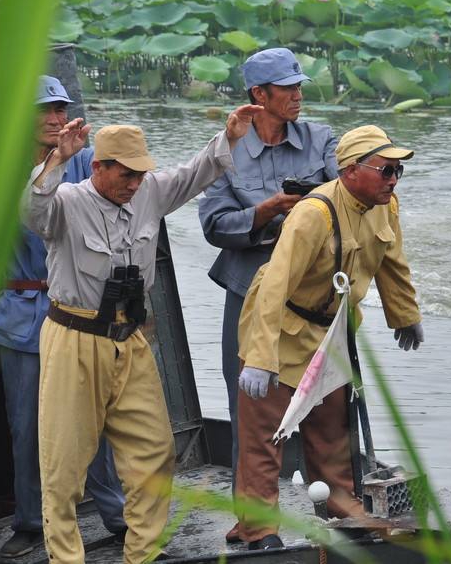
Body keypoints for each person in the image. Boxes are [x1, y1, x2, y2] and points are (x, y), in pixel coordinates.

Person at [25, 104, 259, 563]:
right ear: (99, 168)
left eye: (139, 174)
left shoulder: (148, 192)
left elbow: (195, 173)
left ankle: (141, 555)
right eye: (125, 175)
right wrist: (54, 160)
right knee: (64, 465)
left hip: (129, 339)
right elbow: (33, 211)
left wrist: (229, 135)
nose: (134, 184)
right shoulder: (68, 202)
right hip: (75, 338)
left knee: (154, 451)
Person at [234, 124, 424, 550]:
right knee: (266, 435)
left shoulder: (385, 205)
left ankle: (341, 504)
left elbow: (392, 262)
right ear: (352, 171)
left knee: (331, 429)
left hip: (331, 331)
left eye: (398, 172)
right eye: (386, 170)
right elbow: (274, 287)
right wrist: (261, 358)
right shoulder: (313, 213)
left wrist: (405, 315)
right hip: (282, 325)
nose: (393, 180)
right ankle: (258, 527)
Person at [197, 47, 338, 536]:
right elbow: (213, 225)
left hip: (316, 297)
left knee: (328, 403)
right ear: (259, 95)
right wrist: (266, 212)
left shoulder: (322, 140)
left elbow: (349, 200)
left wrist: (305, 214)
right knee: (250, 411)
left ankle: (339, 515)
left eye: (300, 86)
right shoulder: (227, 150)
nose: (298, 95)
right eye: (288, 88)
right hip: (250, 294)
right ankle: (255, 525)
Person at [0, 77, 126, 558]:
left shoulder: (88, 164)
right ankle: (31, 521)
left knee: (94, 420)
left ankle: (118, 514)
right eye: (43, 110)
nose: (53, 117)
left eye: (60, 108)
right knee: (27, 425)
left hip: (78, 311)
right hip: (19, 316)